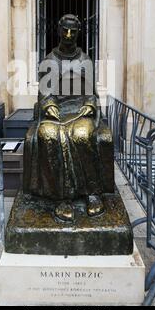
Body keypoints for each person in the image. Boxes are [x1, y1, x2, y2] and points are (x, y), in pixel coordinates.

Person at [23, 14, 114, 222]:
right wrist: (49, 105)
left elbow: (91, 93)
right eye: (65, 30)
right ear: (59, 30)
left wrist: (90, 105)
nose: (69, 35)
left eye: (73, 31)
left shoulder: (85, 61)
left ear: (78, 33)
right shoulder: (49, 61)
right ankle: (61, 197)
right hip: (55, 112)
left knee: (82, 135)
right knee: (48, 135)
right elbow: (44, 94)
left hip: (80, 110)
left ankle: (92, 193)